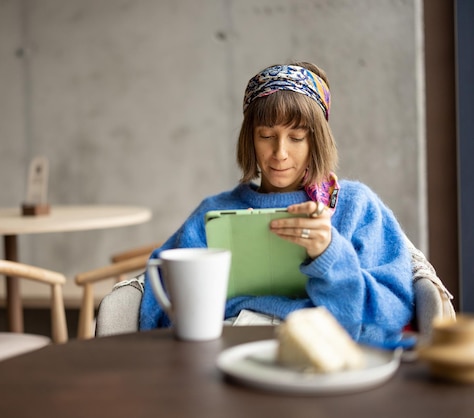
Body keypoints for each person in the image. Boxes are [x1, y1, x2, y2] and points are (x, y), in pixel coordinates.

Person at [139, 61, 413, 346]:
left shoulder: (355, 206)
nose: (279, 153)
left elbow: (390, 313)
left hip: (321, 346)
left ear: (317, 140)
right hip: (227, 344)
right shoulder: (213, 212)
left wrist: (330, 255)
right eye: (266, 136)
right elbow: (161, 305)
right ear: (250, 139)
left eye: (296, 137)